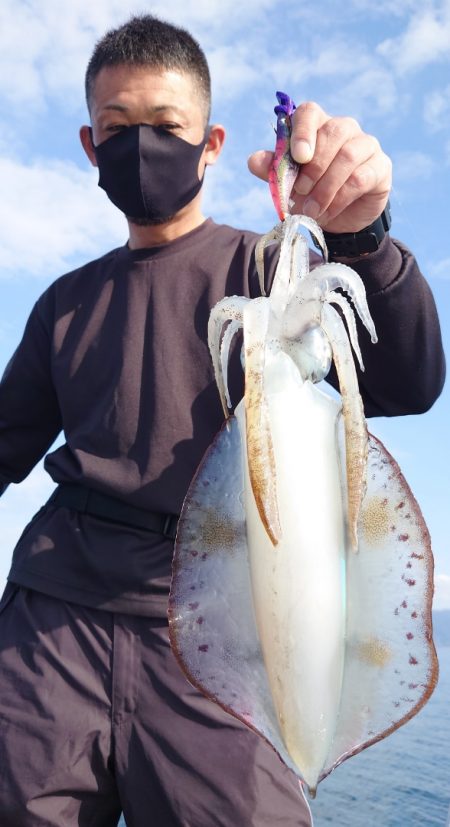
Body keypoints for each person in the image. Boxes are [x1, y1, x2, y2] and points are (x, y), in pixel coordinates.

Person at [0, 13, 445, 827]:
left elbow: (406, 378)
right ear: (90, 148)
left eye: (166, 126)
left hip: (220, 627)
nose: (141, 145)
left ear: (211, 143)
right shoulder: (63, 304)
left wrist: (363, 238)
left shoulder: (268, 269)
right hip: (51, 624)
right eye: (116, 128)